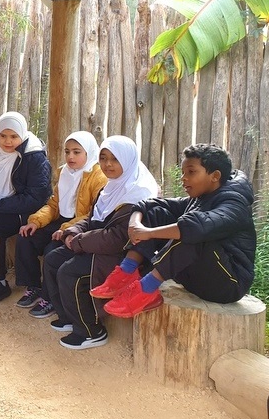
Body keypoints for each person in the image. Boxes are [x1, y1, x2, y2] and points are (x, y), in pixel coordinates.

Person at [91, 143, 255, 318]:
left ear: (215, 176)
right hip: (194, 277)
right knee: (158, 213)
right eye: (183, 172)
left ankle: (146, 290)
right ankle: (126, 272)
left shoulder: (234, 204)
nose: (183, 178)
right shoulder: (202, 196)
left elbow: (197, 227)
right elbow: (151, 204)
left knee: (194, 233)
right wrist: (135, 224)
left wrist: (148, 233)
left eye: (191, 172)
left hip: (227, 285)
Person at [41, 136, 159, 350]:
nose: (108, 164)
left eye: (115, 159)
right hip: (96, 245)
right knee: (52, 259)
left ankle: (91, 331)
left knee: (70, 272)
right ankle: (69, 316)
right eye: (103, 158)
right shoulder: (111, 187)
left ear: (128, 160)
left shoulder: (138, 192)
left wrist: (77, 241)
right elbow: (92, 217)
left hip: (123, 256)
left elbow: (117, 238)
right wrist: (73, 230)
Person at [15, 131, 107, 318]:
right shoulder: (64, 171)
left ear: (89, 152)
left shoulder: (98, 177)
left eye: (76, 152)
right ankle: (34, 285)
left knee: (52, 250)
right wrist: (35, 221)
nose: (70, 156)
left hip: (81, 225)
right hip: (61, 220)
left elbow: (93, 213)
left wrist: (66, 229)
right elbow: (55, 204)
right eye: (67, 151)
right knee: (26, 237)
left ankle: (49, 299)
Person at [0, 111, 51, 303]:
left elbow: (35, 197)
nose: (8, 141)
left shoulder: (33, 156)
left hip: (23, 210)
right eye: (3, 136)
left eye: (14, 136)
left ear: (22, 135)